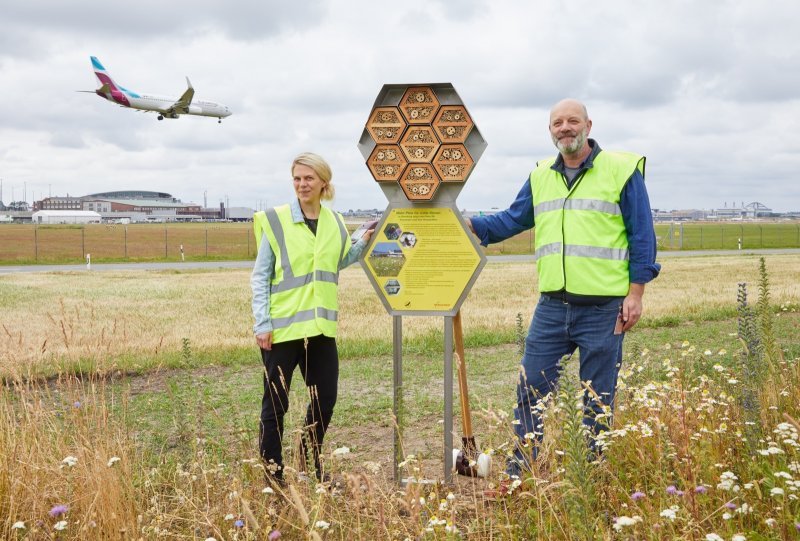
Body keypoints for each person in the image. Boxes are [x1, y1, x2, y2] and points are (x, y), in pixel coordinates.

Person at [467, 99, 660, 478]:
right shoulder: (540, 175)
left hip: (605, 309)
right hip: (553, 307)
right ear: (550, 130)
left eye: (572, 121)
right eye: (557, 123)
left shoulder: (620, 171)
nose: (565, 128)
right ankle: (520, 474)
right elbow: (512, 219)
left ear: (588, 124)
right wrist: (466, 223)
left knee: (597, 399)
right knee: (530, 391)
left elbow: (642, 236)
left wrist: (636, 293)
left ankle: (592, 476)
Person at [251, 152, 373, 484]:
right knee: (275, 406)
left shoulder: (333, 221)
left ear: (323, 182)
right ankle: (273, 476)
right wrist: (261, 324)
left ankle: (307, 459)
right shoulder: (276, 221)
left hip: (320, 329)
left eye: (308, 178)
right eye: (297, 178)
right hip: (282, 330)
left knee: (326, 399)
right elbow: (260, 276)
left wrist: (363, 239)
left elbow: (338, 260)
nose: (302, 184)